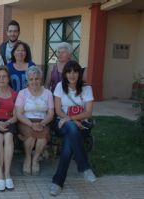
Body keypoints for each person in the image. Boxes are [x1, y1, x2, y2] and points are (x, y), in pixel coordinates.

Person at [49, 60, 96, 196]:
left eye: (75, 71)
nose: (72, 74)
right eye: (69, 71)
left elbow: (88, 113)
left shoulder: (87, 89)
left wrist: (71, 119)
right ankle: (84, 167)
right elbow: (58, 110)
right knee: (70, 127)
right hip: (61, 123)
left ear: (79, 73)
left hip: (81, 125)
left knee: (68, 145)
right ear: (65, 74)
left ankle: (57, 182)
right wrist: (71, 121)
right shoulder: (59, 86)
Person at [15, 66, 54, 176]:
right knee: (30, 137)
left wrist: (42, 123)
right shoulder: (23, 93)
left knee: (42, 136)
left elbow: (50, 113)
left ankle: (35, 159)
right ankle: (28, 158)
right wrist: (31, 124)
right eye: (31, 79)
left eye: (36, 78)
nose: (34, 81)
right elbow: (18, 113)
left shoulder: (48, 93)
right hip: (26, 121)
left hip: (43, 121)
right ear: (27, 80)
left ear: (41, 79)